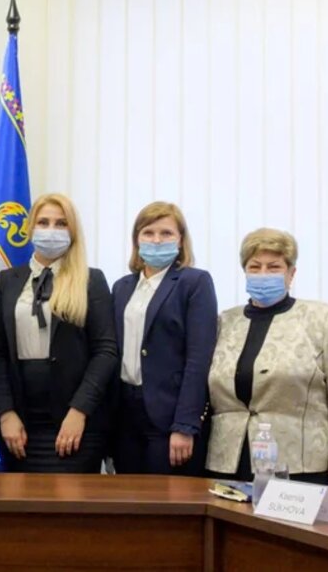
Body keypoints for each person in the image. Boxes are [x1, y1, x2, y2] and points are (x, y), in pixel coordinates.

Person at [206, 228, 328, 489]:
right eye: (255, 267)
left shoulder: (324, 319)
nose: (263, 274)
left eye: (274, 267)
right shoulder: (224, 322)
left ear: (291, 273)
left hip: (300, 464)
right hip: (228, 463)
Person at [0, 194, 117, 473]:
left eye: (61, 224)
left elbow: (105, 352)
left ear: (72, 231)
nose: (51, 230)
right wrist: (6, 412)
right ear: (30, 228)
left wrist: (79, 411)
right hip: (20, 426)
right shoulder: (8, 280)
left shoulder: (91, 280)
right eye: (43, 222)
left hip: (75, 424)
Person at [111, 202, 216, 476]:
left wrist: (185, 425)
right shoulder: (122, 287)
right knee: (126, 496)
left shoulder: (194, 283)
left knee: (165, 497)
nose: (156, 240)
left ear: (180, 240)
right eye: (148, 232)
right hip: (125, 414)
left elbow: (198, 359)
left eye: (166, 233)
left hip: (169, 417)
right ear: (137, 239)